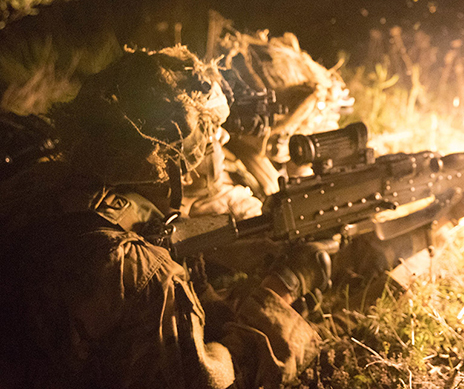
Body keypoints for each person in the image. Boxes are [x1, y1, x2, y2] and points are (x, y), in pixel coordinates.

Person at [0, 46, 329, 388]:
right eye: (212, 136)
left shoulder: (39, 184)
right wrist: (282, 289)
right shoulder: (146, 274)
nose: (224, 140)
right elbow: (206, 381)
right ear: (177, 170)